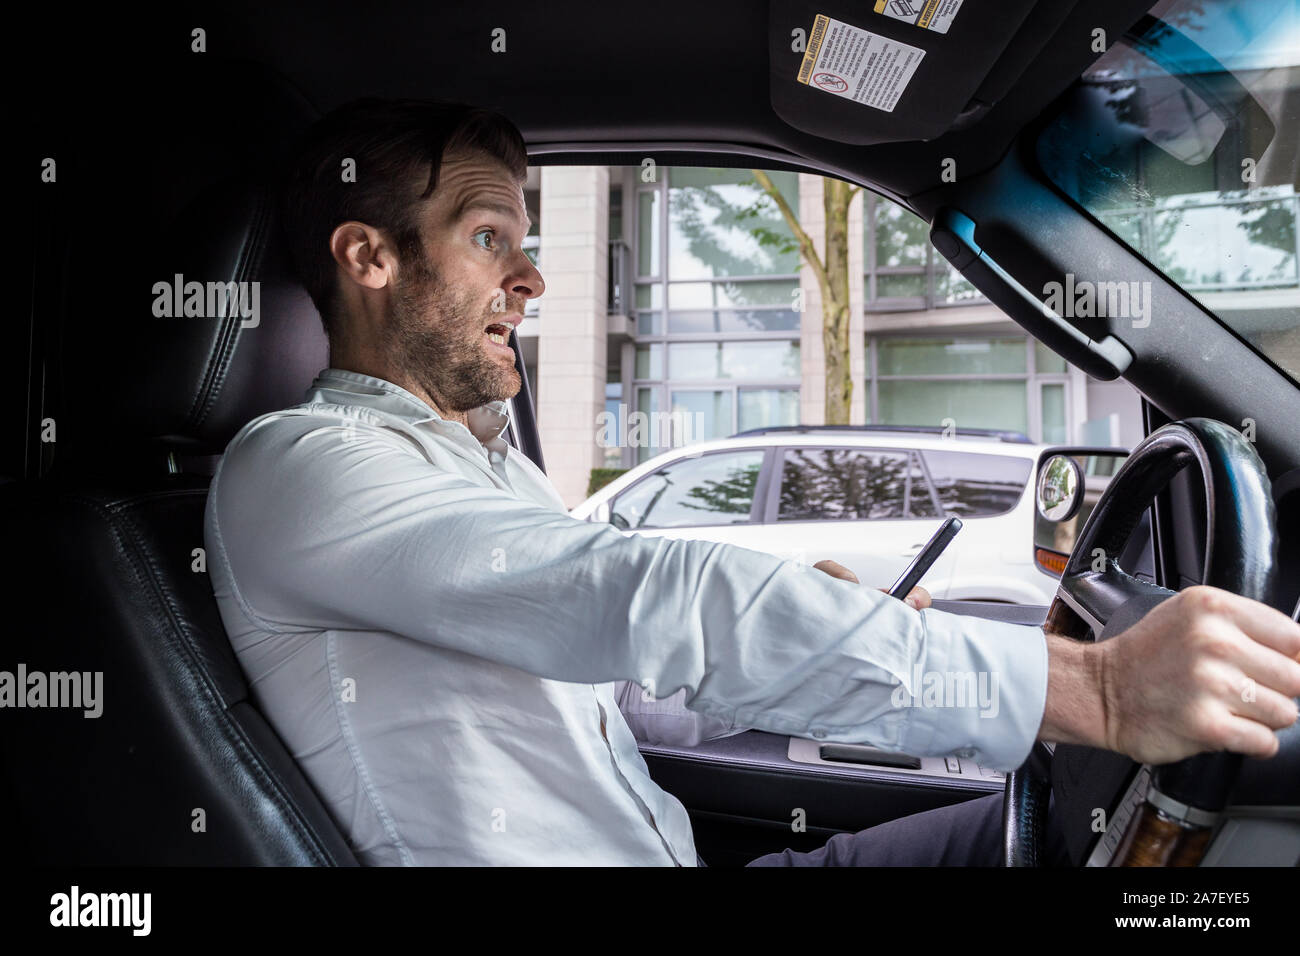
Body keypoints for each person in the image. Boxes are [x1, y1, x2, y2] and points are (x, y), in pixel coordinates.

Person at [203, 98, 1300, 866]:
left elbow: (602, 674)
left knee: (1025, 838)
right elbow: (648, 591)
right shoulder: (300, 466)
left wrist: (831, 619)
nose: (529, 277)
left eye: (526, 242)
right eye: (489, 238)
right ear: (368, 257)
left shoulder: (470, 467)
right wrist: (1097, 693)